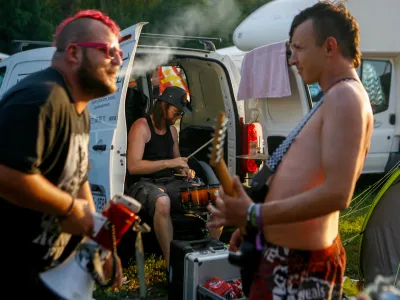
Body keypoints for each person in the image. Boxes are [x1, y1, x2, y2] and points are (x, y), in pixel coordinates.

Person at [208, 2, 373, 300]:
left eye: (298, 48)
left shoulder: (346, 98)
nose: (293, 59)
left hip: (301, 268)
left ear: (329, 46)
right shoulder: (333, 98)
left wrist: (253, 213)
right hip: (286, 260)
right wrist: (256, 227)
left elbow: (338, 193)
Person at [0, 10, 124, 298]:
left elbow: (78, 178)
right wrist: (69, 209)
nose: (118, 60)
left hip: (50, 270)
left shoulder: (78, 108)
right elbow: (5, 173)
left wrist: (99, 245)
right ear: (73, 53)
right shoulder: (43, 98)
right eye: (109, 52)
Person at [126, 85, 222, 268]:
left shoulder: (172, 131)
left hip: (171, 181)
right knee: (162, 202)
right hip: (144, 183)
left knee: (215, 198)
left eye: (180, 114)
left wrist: (185, 171)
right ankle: (172, 266)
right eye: (176, 112)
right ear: (164, 105)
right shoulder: (141, 126)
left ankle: (209, 254)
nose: (178, 117)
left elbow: (177, 162)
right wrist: (169, 163)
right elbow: (133, 166)